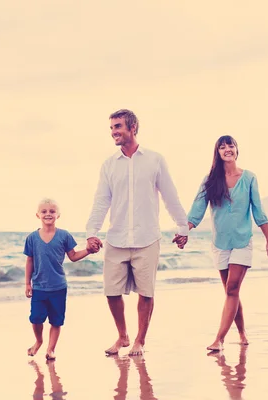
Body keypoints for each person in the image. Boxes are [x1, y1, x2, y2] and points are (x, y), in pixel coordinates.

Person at [85, 109, 189, 357]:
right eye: (111, 128)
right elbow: (101, 200)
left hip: (147, 238)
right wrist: (91, 232)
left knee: (146, 292)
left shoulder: (154, 160)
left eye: (118, 126)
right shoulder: (109, 165)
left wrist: (182, 226)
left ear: (133, 127)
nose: (114, 132)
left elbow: (170, 195)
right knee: (111, 291)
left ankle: (140, 341)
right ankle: (122, 336)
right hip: (116, 237)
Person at [187, 135, 268, 352]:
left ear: (237, 150)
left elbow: (258, 210)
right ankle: (242, 332)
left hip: (242, 241)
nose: (227, 149)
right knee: (231, 292)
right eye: (222, 147)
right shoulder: (210, 180)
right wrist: (184, 231)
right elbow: (197, 209)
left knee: (232, 289)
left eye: (231, 145)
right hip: (220, 243)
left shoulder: (249, 178)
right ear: (217, 153)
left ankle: (219, 339)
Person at [24, 198, 98, 360]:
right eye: (44, 211)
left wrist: (88, 251)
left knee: (56, 321)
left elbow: (73, 256)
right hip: (39, 287)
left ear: (58, 215)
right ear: (37, 215)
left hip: (58, 287)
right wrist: (27, 283)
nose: (48, 214)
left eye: (52, 211)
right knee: (36, 318)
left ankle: (51, 350)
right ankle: (39, 341)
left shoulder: (64, 236)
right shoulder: (32, 238)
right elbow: (29, 260)